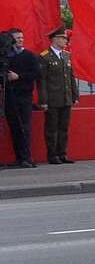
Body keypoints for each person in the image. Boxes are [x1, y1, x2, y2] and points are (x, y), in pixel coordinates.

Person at [35, 27, 78, 164]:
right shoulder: (45, 56)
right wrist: (44, 101)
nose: (65, 41)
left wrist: (75, 95)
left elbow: (71, 77)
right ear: (55, 39)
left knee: (64, 128)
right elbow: (42, 81)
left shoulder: (66, 55)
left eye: (65, 38)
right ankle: (52, 155)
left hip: (66, 98)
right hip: (52, 99)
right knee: (52, 129)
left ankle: (62, 153)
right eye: (63, 38)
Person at [2, 29, 40, 167]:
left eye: (22, 37)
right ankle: (19, 158)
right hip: (9, 96)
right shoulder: (6, 56)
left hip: (24, 97)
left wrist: (18, 76)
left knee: (25, 127)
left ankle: (26, 158)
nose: (20, 40)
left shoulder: (29, 56)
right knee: (14, 127)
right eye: (17, 38)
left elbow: (36, 74)